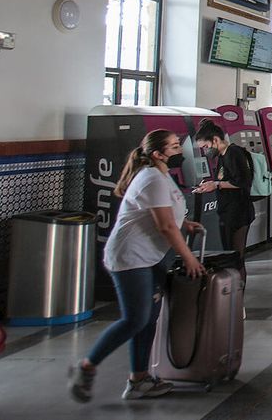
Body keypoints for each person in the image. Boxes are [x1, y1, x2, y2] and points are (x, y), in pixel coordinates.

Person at [69, 130, 205, 403]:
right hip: (131, 258)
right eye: (175, 146)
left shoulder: (162, 175)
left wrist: (185, 224)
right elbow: (164, 225)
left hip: (151, 257)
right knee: (135, 319)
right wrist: (188, 257)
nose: (181, 151)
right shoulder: (152, 178)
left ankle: (139, 379)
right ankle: (87, 366)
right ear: (158, 153)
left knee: (148, 320)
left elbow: (167, 216)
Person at [191, 121, 253, 270]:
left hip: (239, 212)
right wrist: (210, 184)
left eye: (206, 147)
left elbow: (242, 181)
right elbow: (224, 179)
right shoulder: (222, 156)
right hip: (227, 211)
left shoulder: (234, 153)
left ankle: (238, 287)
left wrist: (216, 184)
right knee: (230, 253)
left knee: (236, 255)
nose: (206, 151)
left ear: (215, 140)